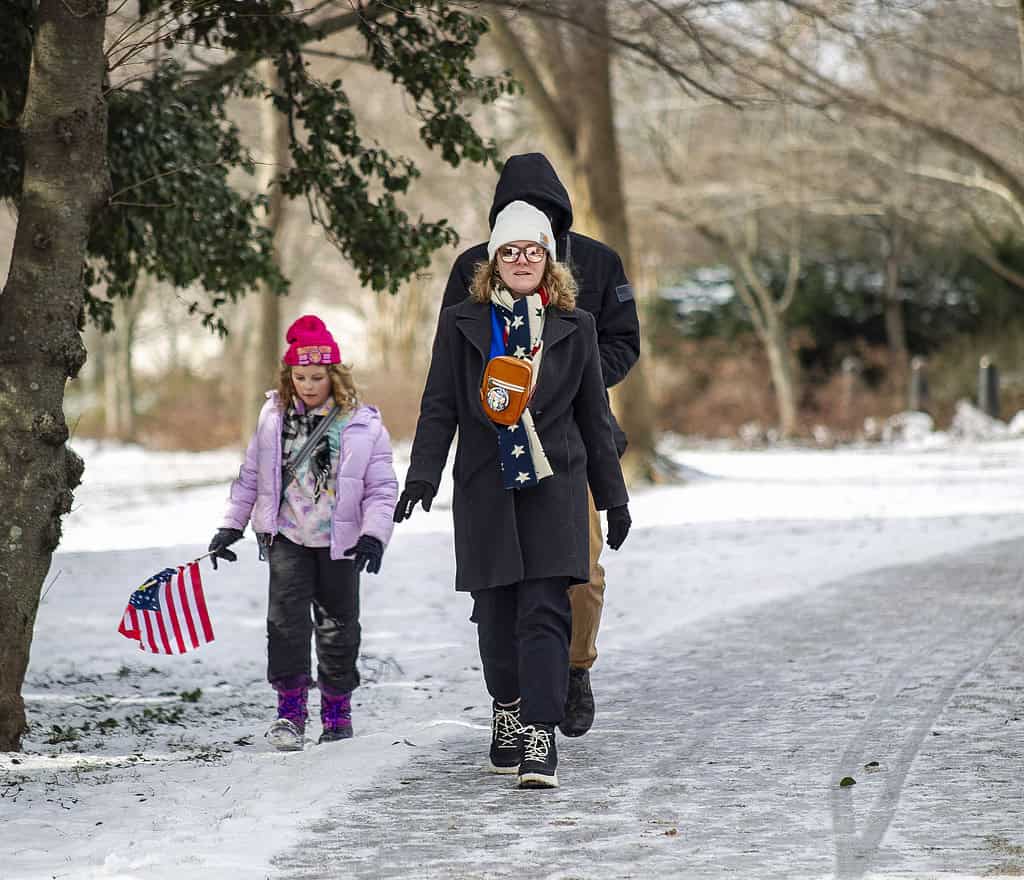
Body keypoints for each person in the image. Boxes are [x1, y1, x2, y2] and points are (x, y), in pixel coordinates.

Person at [395, 201, 631, 789]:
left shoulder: (577, 328)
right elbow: (440, 403)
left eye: (533, 251)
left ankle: (540, 735)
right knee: (496, 616)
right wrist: (423, 474)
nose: (522, 260)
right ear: (493, 260)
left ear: (548, 261)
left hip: (556, 484)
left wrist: (613, 495)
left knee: (546, 609)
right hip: (485, 485)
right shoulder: (462, 323)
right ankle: (507, 705)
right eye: (510, 251)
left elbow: (594, 418)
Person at [439, 153, 640, 738]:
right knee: (501, 579)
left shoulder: (599, 262)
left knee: (582, 572)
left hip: (573, 438)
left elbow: (625, 340)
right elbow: (453, 355)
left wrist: (565, 381)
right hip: (493, 444)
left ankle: (574, 668)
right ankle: (512, 691)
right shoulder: (471, 266)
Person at [208, 315, 398, 751]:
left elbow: (382, 487)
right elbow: (252, 475)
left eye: (318, 376)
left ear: (334, 375)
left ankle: (337, 712)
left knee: (338, 628)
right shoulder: (273, 417)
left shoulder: (363, 424)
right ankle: (290, 713)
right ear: (288, 376)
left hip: (341, 541)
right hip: (288, 538)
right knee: (286, 627)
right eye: (300, 376)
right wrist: (230, 524)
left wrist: (373, 535)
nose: (309, 385)